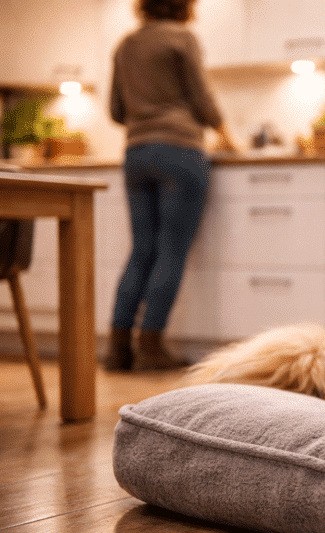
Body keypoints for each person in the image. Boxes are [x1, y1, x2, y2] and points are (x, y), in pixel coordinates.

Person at [105, 0, 236, 371]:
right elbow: (202, 99)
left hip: (135, 154)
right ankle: (151, 346)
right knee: (171, 250)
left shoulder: (126, 44)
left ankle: (117, 349)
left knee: (141, 250)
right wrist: (228, 136)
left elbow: (116, 111)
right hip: (180, 151)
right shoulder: (182, 39)